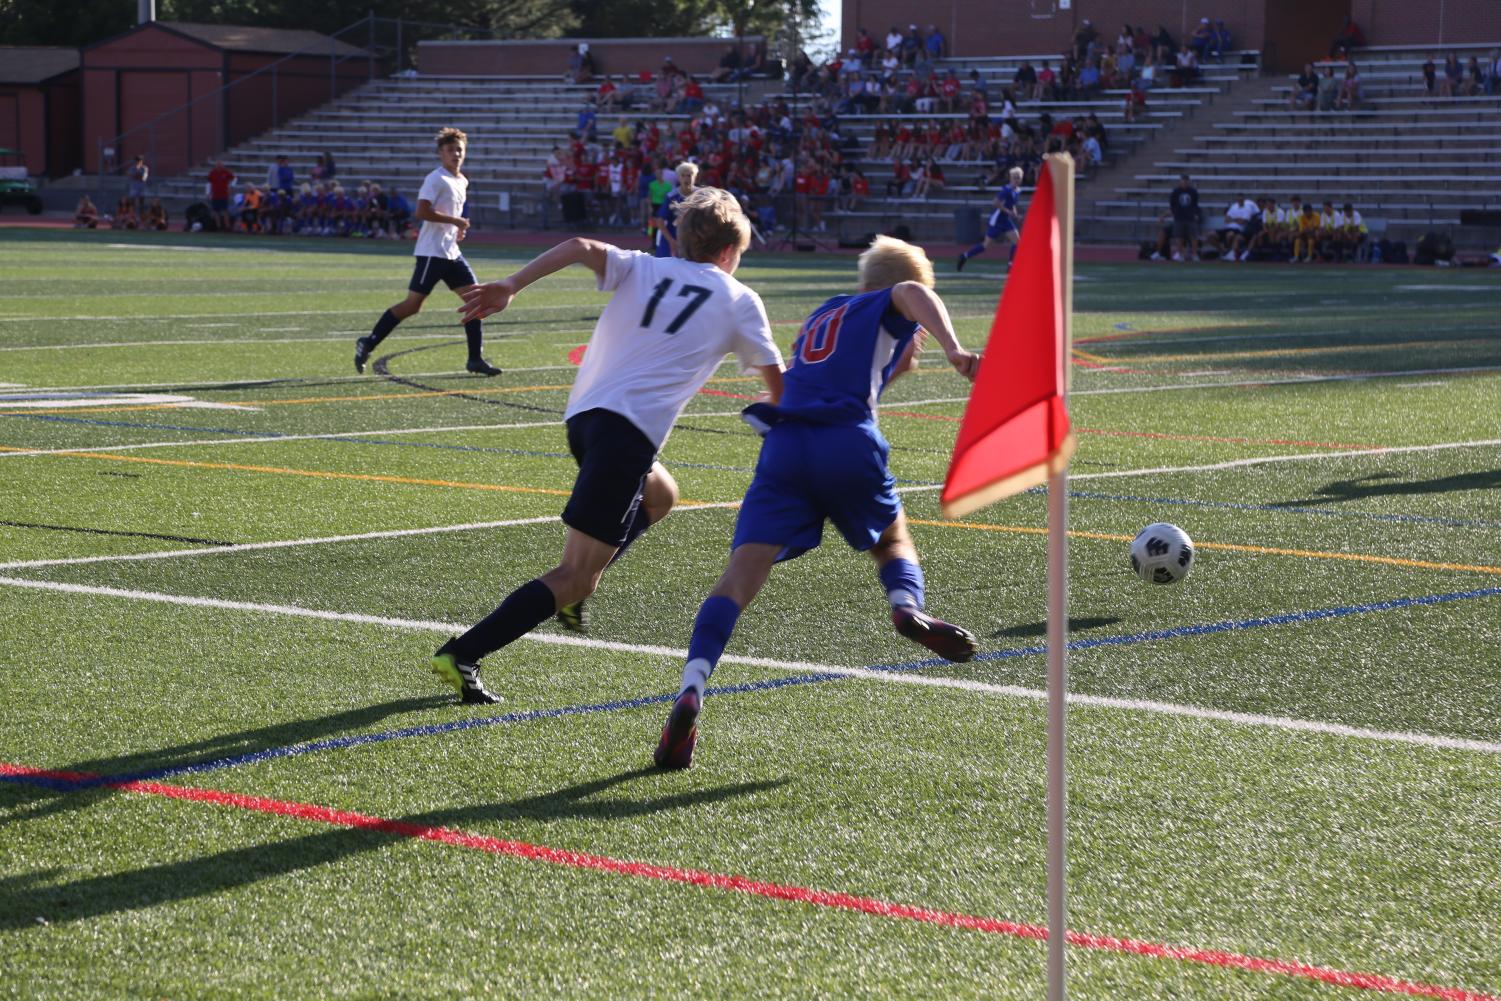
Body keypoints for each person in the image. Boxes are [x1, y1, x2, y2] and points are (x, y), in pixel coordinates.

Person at [429, 188, 786, 704]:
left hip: (586, 420)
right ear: (732, 253)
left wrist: (511, 283)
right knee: (576, 576)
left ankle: (576, 586)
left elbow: (577, 244)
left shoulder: (645, 266)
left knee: (661, 493)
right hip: (626, 437)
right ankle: (463, 652)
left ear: (680, 241)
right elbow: (780, 392)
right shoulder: (739, 299)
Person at [652, 236, 981, 770]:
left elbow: (850, 373)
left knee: (738, 577)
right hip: (846, 440)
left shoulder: (824, 313)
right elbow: (911, 294)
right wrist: (952, 346)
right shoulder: (890, 299)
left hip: (785, 444)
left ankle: (692, 686)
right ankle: (906, 608)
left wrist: (900, 359)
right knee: (893, 537)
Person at [354, 128, 501, 377]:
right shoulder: (436, 179)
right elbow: (422, 212)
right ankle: (369, 342)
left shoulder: (462, 180)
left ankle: (475, 359)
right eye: (450, 150)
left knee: (476, 302)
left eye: (459, 150)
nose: (455, 154)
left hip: (451, 252)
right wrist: (456, 222)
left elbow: (449, 217)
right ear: (440, 154)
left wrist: (457, 230)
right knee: (412, 306)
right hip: (432, 253)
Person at [956, 165, 1023, 270]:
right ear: (1010, 178)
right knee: (985, 246)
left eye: (1018, 177)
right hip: (997, 220)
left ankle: (1010, 265)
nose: (1016, 179)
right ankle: (964, 256)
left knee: (1017, 242)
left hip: (1005, 220)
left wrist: (1015, 214)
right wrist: (1008, 212)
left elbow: (1012, 204)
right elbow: (995, 202)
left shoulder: (1017, 191)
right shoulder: (1006, 190)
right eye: (1015, 177)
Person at [655, 161, 697, 257]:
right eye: (683, 176)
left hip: (692, 242)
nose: (686, 179)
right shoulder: (672, 197)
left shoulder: (701, 196)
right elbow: (660, 220)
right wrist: (671, 241)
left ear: (695, 177)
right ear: (679, 178)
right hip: (672, 239)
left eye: (689, 175)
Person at [1168, 172, 1200, 261]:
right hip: (1179, 217)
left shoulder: (1193, 191)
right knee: (1179, 237)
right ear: (1180, 181)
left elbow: (1195, 204)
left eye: (1186, 181)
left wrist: (1195, 214)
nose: (1185, 182)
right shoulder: (1175, 192)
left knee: (1193, 236)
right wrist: (1176, 213)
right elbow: (1172, 204)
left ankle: (1194, 254)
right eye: (1183, 181)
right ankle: (1181, 254)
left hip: (1190, 217)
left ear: (1188, 181)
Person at [207, 160, 235, 232]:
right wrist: (208, 193)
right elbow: (209, 183)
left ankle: (227, 227)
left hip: (224, 195)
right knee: (216, 212)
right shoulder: (212, 173)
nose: (219, 166)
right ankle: (218, 226)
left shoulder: (226, 172)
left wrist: (231, 187)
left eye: (220, 165)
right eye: (217, 165)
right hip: (215, 195)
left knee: (224, 211)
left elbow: (234, 178)